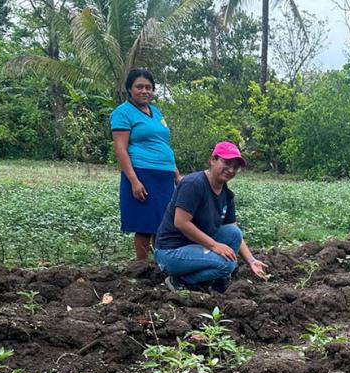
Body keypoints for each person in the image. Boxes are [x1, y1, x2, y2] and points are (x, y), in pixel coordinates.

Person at [153, 141, 268, 293]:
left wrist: (251, 260)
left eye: (235, 167)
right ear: (212, 160)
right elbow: (181, 223)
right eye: (226, 163)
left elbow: (233, 229)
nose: (231, 169)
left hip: (194, 245)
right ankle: (180, 280)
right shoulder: (193, 184)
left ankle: (217, 280)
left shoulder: (226, 193)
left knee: (233, 234)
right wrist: (214, 245)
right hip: (172, 251)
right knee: (227, 264)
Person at [111, 68, 181, 261]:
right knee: (145, 224)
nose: (144, 91)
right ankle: (142, 266)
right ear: (129, 90)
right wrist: (134, 180)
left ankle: (161, 263)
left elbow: (163, 144)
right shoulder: (122, 113)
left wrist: (176, 175)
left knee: (163, 223)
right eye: (139, 87)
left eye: (148, 87)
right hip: (142, 173)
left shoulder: (156, 112)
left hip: (164, 175)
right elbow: (120, 149)